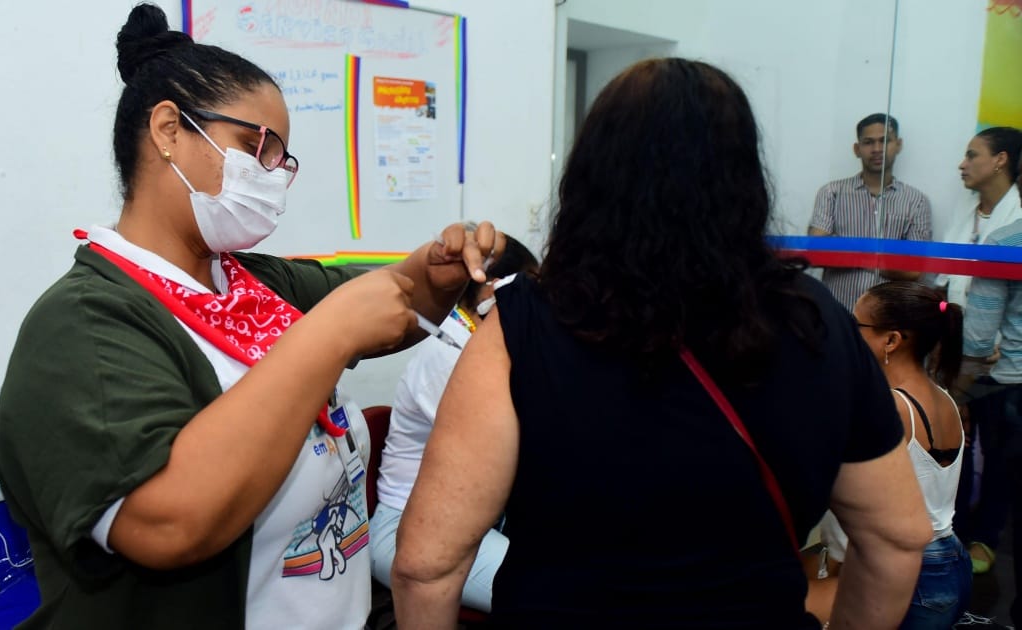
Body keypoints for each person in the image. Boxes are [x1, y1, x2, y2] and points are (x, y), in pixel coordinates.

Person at [0, 5, 503, 628]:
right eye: (257, 147)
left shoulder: (249, 282)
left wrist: (438, 269)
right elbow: (168, 523)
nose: (274, 176)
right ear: (168, 130)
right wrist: (328, 335)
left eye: (282, 160)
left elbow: (394, 302)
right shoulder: (84, 326)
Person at [391, 58, 933, 629]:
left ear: (591, 175)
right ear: (744, 178)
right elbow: (896, 538)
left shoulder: (524, 325)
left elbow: (426, 566)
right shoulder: (816, 322)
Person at [369, 233, 538, 612]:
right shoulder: (446, 355)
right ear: (494, 290)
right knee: (551, 594)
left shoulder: (481, 346)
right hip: (404, 532)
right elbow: (520, 451)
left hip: (467, 522)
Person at [815, 281, 970, 629]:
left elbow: (857, 502)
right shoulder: (944, 397)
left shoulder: (891, 407)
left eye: (855, 326)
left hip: (910, 574)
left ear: (891, 340)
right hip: (949, 561)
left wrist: (838, 568)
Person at [960, 166, 1022, 625]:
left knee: (994, 471)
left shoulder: (1004, 243)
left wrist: (955, 392)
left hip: (1007, 384)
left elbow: (979, 341)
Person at [808, 113, 933, 311]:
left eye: (885, 141)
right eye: (868, 142)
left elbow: (913, 270)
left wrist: (849, 252)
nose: (877, 149)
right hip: (836, 311)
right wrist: (885, 259)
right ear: (857, 149)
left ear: (898, 145)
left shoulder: (916, 201)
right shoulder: (832, 193)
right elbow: (816, 253)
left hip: (888, 315)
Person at [938, 127, 1022, 307]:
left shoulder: (1018, 215)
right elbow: (943, 278)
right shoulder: (965, 206)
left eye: (972, 156)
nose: (962, 165)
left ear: (1000, 159)